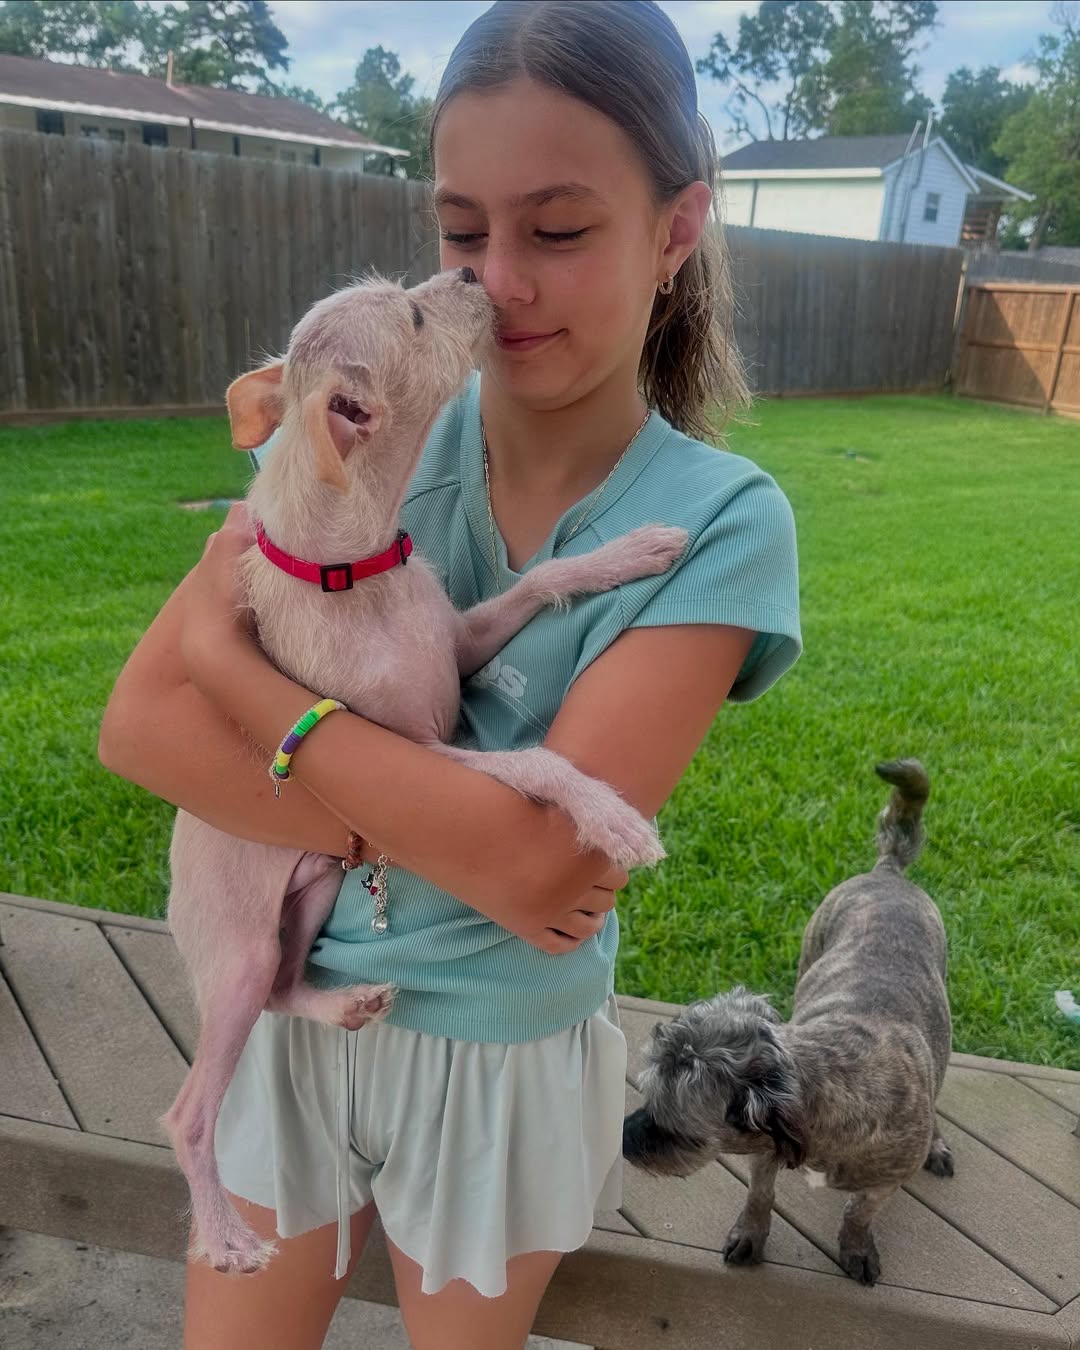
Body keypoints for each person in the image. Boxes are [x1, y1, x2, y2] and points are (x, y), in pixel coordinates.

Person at [98, 3, 802, 1347]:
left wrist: (237, 679)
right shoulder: (382, 414)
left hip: (501, 1055)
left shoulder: (719, 522)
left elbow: (540, 868)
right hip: (292, 1026)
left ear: (675, 227)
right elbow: (138, 728)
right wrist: (451, 834)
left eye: (558, 227)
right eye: (463, 229)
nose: (498, 280)